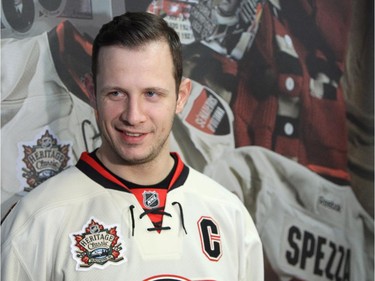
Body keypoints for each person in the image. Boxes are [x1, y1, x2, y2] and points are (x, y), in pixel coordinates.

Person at [1, 11, 263, 281]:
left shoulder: (229, 216)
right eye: (116, 93)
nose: (133, 115)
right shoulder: (38, 221)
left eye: (151, 94)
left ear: (181, 97)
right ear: (91, 92)